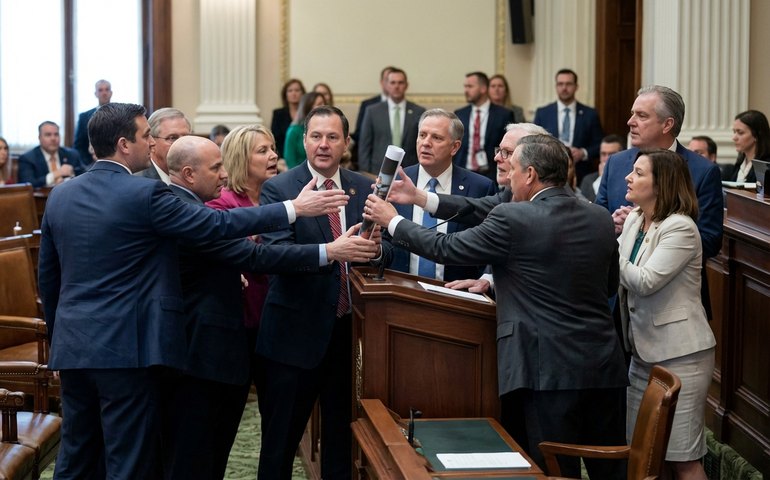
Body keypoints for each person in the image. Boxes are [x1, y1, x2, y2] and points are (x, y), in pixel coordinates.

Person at [37, 102, 350, 480]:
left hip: (73, 348)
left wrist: (58, 340)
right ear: (124, 144)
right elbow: (217, 224)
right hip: (125, 350)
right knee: (127, 457)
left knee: (75, 454)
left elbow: (49, 280)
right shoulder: (144, 195)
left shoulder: (61, 196)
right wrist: (293, 209)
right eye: (145, 137)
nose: (152, 144)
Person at [364, 133, 628, 479]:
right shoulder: (599, 217)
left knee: (555, 470)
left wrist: (393, 220)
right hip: (604, 367)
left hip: (545, 370)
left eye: (513, 168)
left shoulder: (514, 218)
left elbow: (446, 248)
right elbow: (608, 286)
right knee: (610, 469)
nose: (508, 176)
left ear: (530, 174)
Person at [162, 135, 378, 480]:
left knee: (209, 451)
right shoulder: (190, 208)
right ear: (188, 174)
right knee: (193, 454)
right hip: (201, 352)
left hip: (224, 345)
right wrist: (326, 246)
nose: (223, 173)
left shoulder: (192, 203)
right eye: (216, 167)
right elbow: (255, 255)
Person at [256, 106, 393, 480]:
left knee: (342, 442)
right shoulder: (280, 189)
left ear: (345, 143)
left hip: (348, 338)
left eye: (332, 137)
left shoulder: (365, 188)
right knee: (278, 445)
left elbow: (394, 251)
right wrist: (332, 252)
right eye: (316, 136)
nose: (323, 144)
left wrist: (378, 249)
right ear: (304, 140)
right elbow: (275, 255)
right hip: (292, 337)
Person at [618, 149, 716, 480]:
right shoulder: (634, 218)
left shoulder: (681, 229)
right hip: (641, 351)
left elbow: (645, 281)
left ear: (661, 184)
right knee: (643, 454)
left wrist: (608, 251)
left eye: (638, 173)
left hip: (681, 355)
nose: (628, 178)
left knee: (680, 458)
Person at [595, 85, 723, 318]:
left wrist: (648, 230)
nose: (630, 122)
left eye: (641, 116)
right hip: (615, 303)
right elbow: (598, 217)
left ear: (667, 124)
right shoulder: (616, 164)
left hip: (670, 310)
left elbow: (710, 240)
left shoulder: (702, 171)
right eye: (633, 113)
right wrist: (612, 225)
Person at [389, 108, 496, 282]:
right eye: (422, 135)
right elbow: (384, 242)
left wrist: (486, 278)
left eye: (436, 137)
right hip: (401, 292)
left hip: (454, 296)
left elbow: (489, 246)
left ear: (455, 147)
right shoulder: (396, 182)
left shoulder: (480, 188)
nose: (426, 143)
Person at [533, 68, 604, 184]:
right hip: (548, 173)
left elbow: (599, 144)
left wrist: (583, 153)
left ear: (576, 87)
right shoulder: (543, 113)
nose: (564, 88)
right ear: (556, 86)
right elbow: (534, 142)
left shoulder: (590, 114)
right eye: (560, 84)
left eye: (568, 84)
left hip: (581, 174)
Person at [358, 68, 425, 175]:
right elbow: (364, 146)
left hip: (409, 172)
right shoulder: (372, 111)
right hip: (378, 173)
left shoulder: (418, 112)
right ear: (386, 85)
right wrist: (366, 173)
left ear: (406, 85)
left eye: (400, 83)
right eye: (392, 83)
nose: (396, 86)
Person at [454, 72, 516, 182]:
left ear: (483, 89)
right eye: (465, 87)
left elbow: (510, 146)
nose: (466, 90)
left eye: (470, 86)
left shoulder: (503, 114)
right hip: (463, 172)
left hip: (490, 173)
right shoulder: (460, 114)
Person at [18, 121, 85, 187]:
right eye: (48, 135)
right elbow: (28, 185)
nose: (53, 138)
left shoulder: (72, 155)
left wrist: (72, 174)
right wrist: (55, 174)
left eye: (56, 134)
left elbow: (84, 177)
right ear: (39, 138)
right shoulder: (28, 158)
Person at [134, 107, 192, 184]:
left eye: (186, 137)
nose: (182, 144)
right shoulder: (139, 181)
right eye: (173, 138)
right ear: (152, 142)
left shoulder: (196, 177)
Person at [352, 66, 394, 146]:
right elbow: (360, 134)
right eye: (388, 80)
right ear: (381, 82)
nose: (392, 84)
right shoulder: (368, 105)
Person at [724, 109, 770, 183]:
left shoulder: (766, 167)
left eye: (740, 132)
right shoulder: (739, 164)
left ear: (756, 136)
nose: (734, 138)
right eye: (734, 132)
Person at [73, 79, 112, 163]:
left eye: (107, 89)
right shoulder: (84, 117)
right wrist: (86, 164)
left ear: (111, 93)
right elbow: (78, 146)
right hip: (90, 164)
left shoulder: (122, 115)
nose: (104, 93)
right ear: (96, 94)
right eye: (100, 90)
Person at [283, 92, 325, 169]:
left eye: (324, 103)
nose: (324, 107)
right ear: (308, 107)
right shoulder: (293, 130)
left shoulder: (325, 129)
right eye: (319, 104)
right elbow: (290, 161)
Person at [580, 134, 626, 202]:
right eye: (603, 154)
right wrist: (602, 179)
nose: (606, 159)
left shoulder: (628, 180)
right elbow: (593, 207)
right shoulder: (588, 180)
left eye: (611, 154)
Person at [271, 78, 306, 159]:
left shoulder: (308, 114)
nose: (294, 93)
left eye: (297, 90)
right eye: (290, 91)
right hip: (282, 158)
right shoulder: (278, 114)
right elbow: (274, 139)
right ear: (285, 94)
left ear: (302, 93)